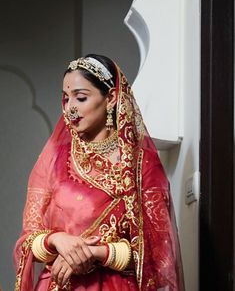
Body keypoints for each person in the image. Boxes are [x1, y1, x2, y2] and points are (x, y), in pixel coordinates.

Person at [14, 54, 185, 291]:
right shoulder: (53, 159)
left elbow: (159, 253)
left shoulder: (140, 164)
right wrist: (57, 240)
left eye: (80, 97)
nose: (70, 108)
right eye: (66, 99)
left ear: (111, 98)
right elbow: (28, 240)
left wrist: (96, 253)